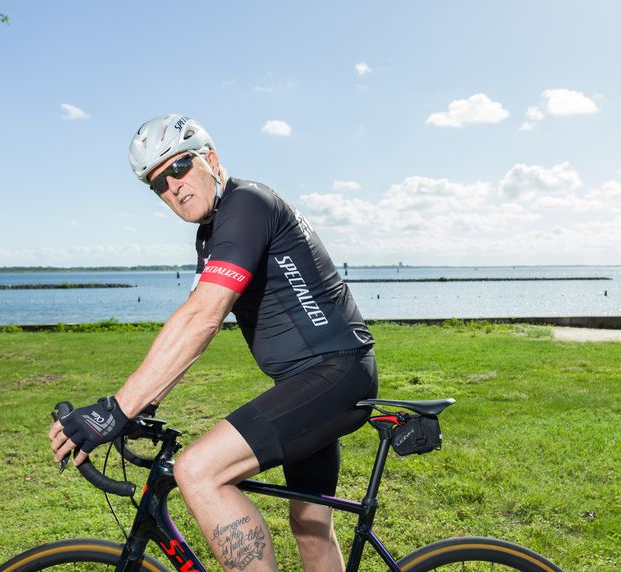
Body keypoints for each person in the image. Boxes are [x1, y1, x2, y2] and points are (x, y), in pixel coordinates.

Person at [48, 114, 378, 571]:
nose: (173, 186)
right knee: (310, 524)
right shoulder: (214, 232)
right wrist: (143, 405)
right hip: (317, 381)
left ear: (212, 160)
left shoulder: (247, 205)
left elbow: (202, 318)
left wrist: (116, 408)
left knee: (198, 471)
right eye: (158, 183)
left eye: (179, 167)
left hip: (332, 375)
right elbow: (194, 328)